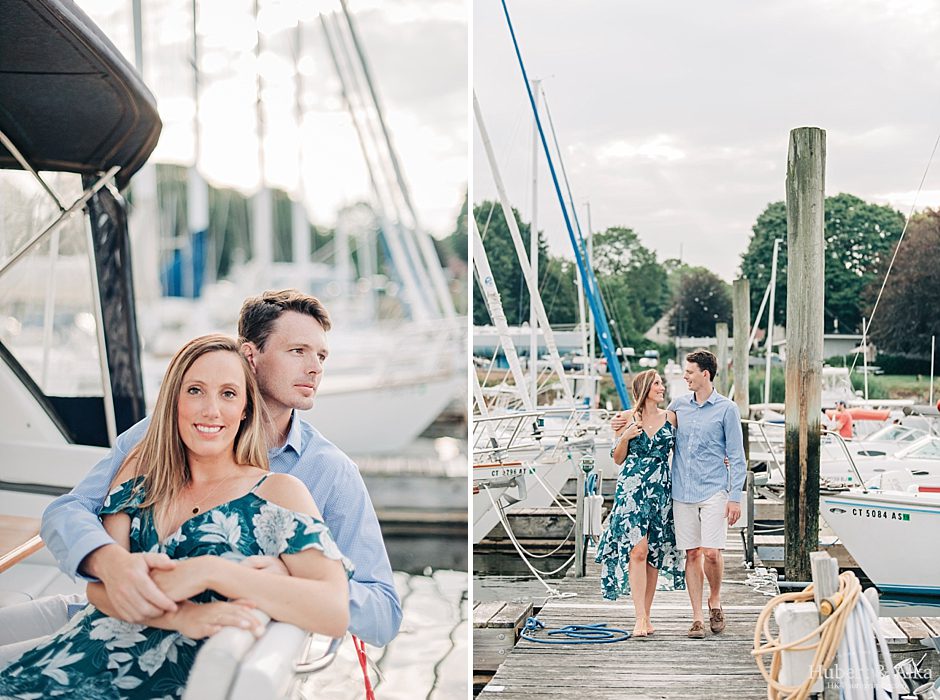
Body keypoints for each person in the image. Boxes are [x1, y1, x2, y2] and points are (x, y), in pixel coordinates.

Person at [0, 290, 401, 664]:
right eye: (298, 351)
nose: (314, 368)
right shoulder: (160, 431)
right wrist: (108, 562)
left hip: (190, 648)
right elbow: (68, 511)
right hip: (101, 609)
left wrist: (290, 580)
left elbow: (384, 612)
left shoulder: (328, 472)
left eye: (321, 356)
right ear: (250, 356)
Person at [596, 369, 685, 639]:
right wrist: (624, 436)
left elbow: (694, 443)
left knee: (653, 554)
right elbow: (617, 458)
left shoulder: (671, 418)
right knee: (638, 551)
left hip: (660, 491)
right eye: (657, 384)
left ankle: (647, 615)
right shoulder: (628, 419)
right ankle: (639, 617)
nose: (662, 387)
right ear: (646, 389)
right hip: (632, 492)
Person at [667, 349, 746, 639]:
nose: (685, 377)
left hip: (714, 490)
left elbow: (737, 457)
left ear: (705, 374)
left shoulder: (727, 409)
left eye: (689, 372)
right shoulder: (678, 405)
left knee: (711, 553)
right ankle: (697, 617)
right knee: (692, 554)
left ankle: (715, 600)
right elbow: (652, 421)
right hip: (682, 490)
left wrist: (735, 497)